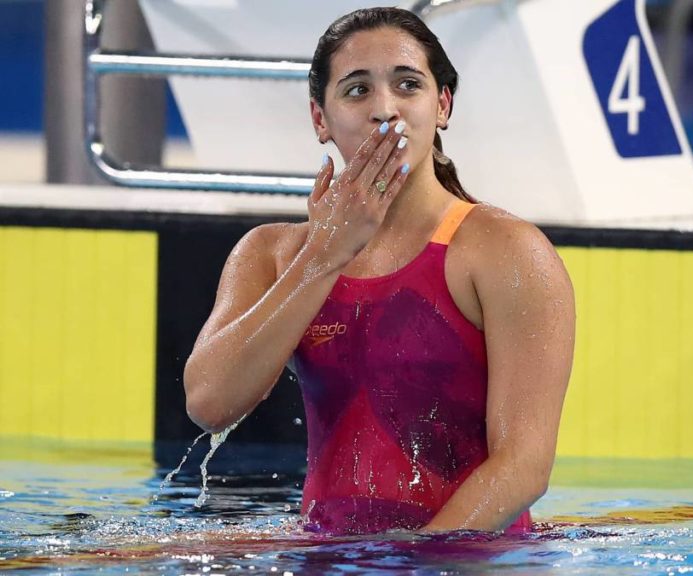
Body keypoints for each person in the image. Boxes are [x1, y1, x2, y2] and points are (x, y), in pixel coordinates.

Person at [182, 7, 575, 535]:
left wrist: (407, 560)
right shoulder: (272, 253)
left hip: (466, 561)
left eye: (408, 84)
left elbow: (523, 469)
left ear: (442, 105)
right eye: (357, 90)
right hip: (327, 554)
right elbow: (210, 403)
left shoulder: (505, 251)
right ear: (320, 119)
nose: (385, 109)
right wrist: (324, 255)